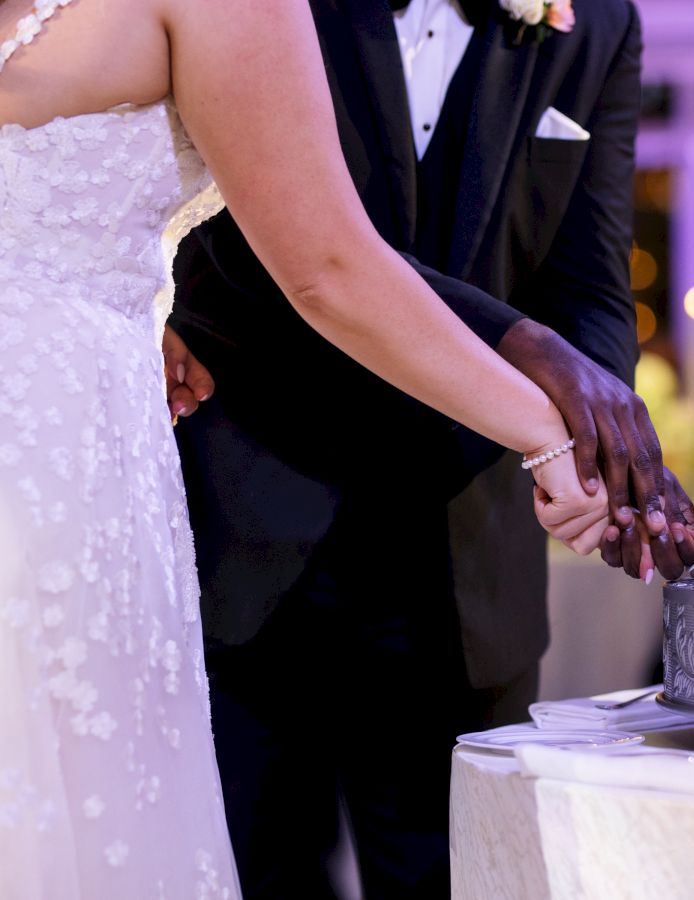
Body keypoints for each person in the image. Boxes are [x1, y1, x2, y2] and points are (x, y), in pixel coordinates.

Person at [0, 0, 617, 894]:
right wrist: (543, 429)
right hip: (69, 468)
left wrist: (114, 305)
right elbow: (326, 267)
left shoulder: (600, 28)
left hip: (86, 435)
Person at [165, 0, 694, 895]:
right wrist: (528, 349)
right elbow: (243, 248)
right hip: (250, 536)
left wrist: (593, 444)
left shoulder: (599, 23)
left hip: (465, 559)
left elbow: (591, 283)